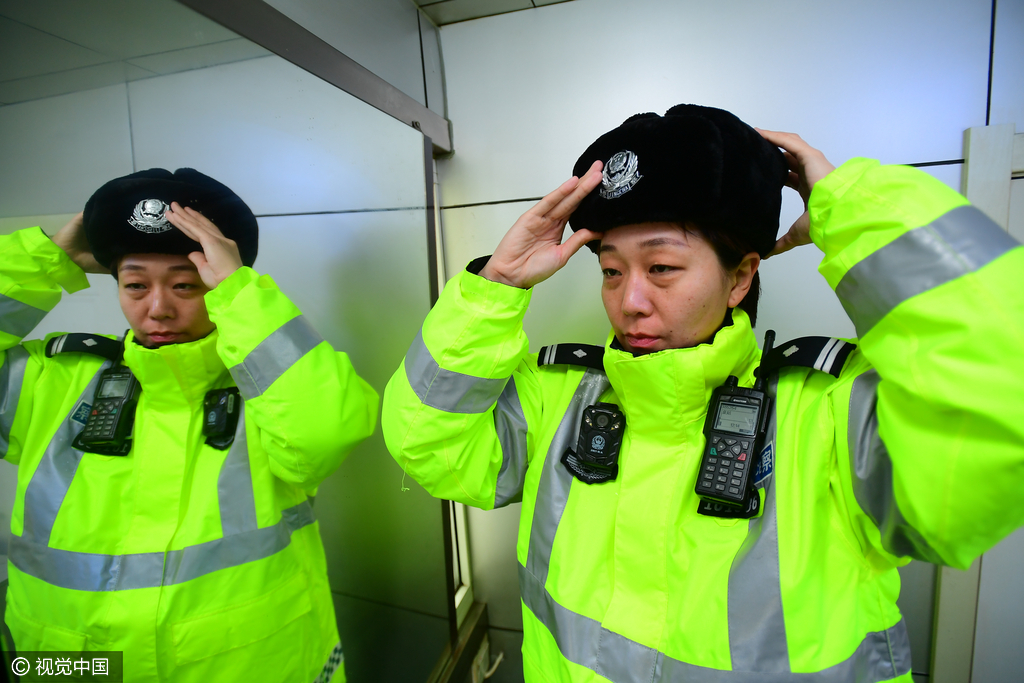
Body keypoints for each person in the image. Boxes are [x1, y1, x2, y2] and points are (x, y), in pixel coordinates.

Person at [381, 105, 1024, 681]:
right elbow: (427, 446)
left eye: (661, 267)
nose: (628, 302)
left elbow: (1002, 397)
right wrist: (494, 288)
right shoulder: (562, 397)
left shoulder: (831, 415)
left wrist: (852, 205)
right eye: (610, 269)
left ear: (741, 276)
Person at [0, 169, 378, 682]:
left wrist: (242, 294)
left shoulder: (267, 389)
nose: (157, 309)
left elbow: (327, 429)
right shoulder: (52, 383)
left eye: (186, 285)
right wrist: (45, 264)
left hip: (249, 666)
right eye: (134, 285)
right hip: (68, 666)